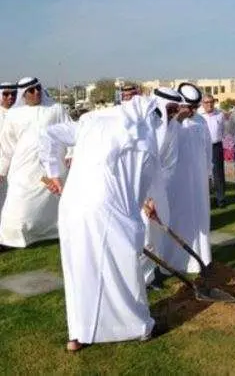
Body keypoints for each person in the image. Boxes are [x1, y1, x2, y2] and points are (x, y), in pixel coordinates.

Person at [39, 96, 163, 352]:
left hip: (73, 206)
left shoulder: (91, 120)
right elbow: (138, 188)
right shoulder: (144, 139)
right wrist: (141, 212)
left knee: (80, 270)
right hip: (109, 210)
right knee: (123, 267)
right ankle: (139, 327)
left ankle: (78, 334)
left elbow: (49, 133)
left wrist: (53, 172)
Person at [0, 77, 70, 249]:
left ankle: (55, 233)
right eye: (31, 90)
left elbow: (70, 131)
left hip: (52, 168)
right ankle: (15, 238)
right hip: (23, 169)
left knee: (56, 205)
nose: (36, 92)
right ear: (23, 95)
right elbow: (7, 147)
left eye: (38, 88)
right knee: (18, 208)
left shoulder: (56, 109)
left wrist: (70, 153)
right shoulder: (13, 115)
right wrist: (2, 170)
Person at [162, 83, 212, 273]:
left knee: (199, 217)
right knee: (178, 218)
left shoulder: (201, 122)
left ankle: (201, 259)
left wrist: (208, 173)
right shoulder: (169, 124)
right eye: (189, 107)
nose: (193, 111)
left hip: (198, 181)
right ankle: (174, 262)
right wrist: (176, 123)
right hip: (176, 183)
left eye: (195, 107)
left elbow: (207, 150)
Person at [141, 87, 182, 287]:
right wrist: (143, 197)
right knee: (141, 237)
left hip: (156, 190)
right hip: (136, 190)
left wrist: (154, 197)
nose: (175, 114)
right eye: (171, 109)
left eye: (176, 109)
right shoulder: (142, 123)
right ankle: (134, 282)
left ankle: (147, 278)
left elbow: (169, 164)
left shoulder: (173, 127)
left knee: (155, 235)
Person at [199, 94, 226, 208]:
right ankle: (205, 200)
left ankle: (221, 200)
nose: (209, 104)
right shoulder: (198, 115)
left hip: (216, 146)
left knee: (218, 174)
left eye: (211, 102)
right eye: (206, 102)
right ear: (202, 104)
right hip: (201, 147)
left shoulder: (220, 114)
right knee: (203, 174)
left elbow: (224, 129)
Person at [0, 82, 18, 212]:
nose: (10, 97)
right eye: (6, 94)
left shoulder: (21, 114)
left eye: (13, 94)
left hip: (19, 163)